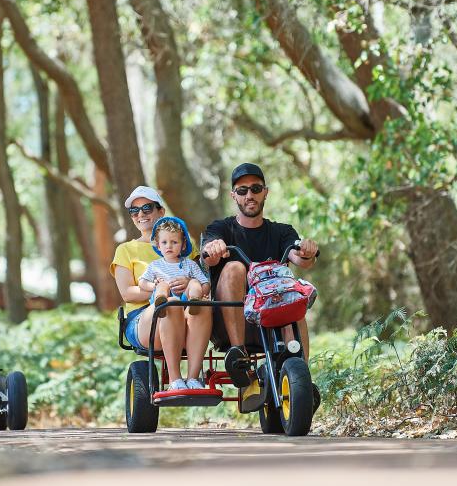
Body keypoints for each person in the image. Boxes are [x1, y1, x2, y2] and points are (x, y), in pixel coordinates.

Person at [201, 163, 319, 388]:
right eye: (242, 190)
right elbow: (209, 258)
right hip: (230, 322)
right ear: (234, 195)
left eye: (255, 189)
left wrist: (307, 251)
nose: (249, 195)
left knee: (293, 301)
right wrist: (214, 248)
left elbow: (300, 259)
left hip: (272, 318)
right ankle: (239, 357)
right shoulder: (221, 228)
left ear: (265, 192)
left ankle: (301, 379)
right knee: (235, 267)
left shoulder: (282, 231)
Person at [111, 186, 212, 391]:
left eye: (147, 208)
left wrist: (188, 283)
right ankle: (175, 380)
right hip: (144, 318)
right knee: (171, 303)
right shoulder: (126, 250)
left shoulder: (184, 245)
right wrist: (163, 288)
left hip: (186, 311)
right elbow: (127, 293)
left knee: (202, 306)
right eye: (134, 211)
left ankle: (193, 378)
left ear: (161, 211)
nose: (140, 214)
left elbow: (200, 282)